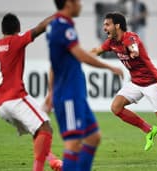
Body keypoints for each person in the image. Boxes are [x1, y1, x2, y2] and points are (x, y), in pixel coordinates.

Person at [91, 12, 157, 160]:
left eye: (107, 25)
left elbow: (133, 46)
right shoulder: (111, 43)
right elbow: (97, 51)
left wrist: (134, 51)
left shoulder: (130, 37)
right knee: (116, 107)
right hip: (135, 82)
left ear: (117, 26)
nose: (104, 28)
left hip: (151, 82)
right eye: (104, 25)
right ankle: (149, 130)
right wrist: (78, 54)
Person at [43, 0, 123, 170]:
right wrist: (110, 67)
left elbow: (54, 63)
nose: (81, 4)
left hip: (75, 94)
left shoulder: (57, 25)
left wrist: (50, 92)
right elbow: (81, 55)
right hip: (68, 95)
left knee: (94, 137)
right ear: (69, 3)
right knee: (73, 144)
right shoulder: (62, 26)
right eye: (78, 1)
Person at [0, 13, 62, 171]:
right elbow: (40, 28)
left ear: (2, 29)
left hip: (1, 107)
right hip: (16, 98)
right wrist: (61, 15)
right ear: (18, 28)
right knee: (45, 128)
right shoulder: (16, 41)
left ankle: (53, 161)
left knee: (37, 130)